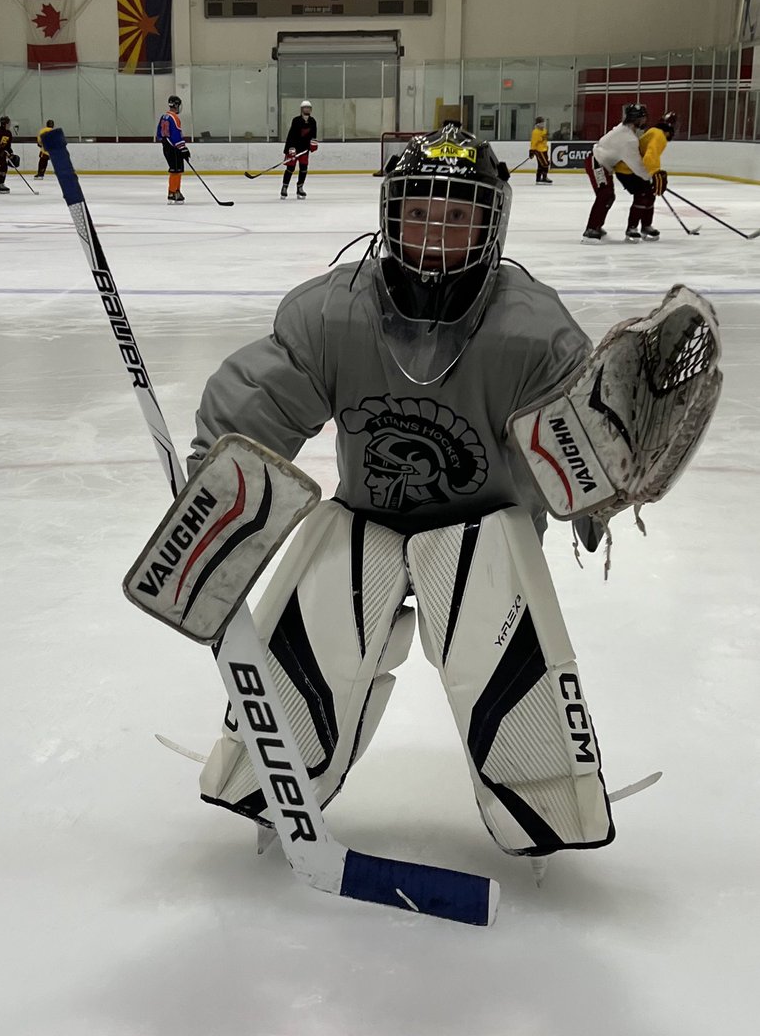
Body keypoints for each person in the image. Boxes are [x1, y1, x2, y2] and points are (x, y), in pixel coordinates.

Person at [189, 125, 619, 864]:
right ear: (390, 213)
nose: (433, 232)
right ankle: (270, 775)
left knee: (487, 592)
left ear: (491, 222)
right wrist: (212, 483)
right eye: (419, 210)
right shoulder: (334, 312)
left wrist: (611, 480)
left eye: (457, 216)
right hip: (366, 521)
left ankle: (545, 790)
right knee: (327, 579)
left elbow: (576, 452)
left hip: (485, 527)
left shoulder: (532, 331)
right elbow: (267, 394)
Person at [582, 103, 651, 243]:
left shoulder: (625, 130)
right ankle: (591, 230)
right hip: (597, 163)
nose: (645, 121)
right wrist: (650, 177)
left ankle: (596, 225)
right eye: (643, 118)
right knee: (605, 195)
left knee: (608, 196)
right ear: (636, 119)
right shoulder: (628, 140)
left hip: (601, 164)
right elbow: (637, 166)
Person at [622, 111, 677, 241]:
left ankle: (646, 225)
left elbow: (650, 157)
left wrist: (654, 173)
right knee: (642, 196)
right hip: (629, 169)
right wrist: (656, 172)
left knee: (649, 195)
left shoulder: (655, 132)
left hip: (637, 169)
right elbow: (649, 157)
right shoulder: (659, 136)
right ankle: (632, 228)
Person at [281, 100, 318, 199]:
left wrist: (313, 143)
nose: (307, 110)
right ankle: (284, 187)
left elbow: (313, 135)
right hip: (293, 148)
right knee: (290, 168)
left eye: (309, 108)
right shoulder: (296, 120)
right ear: (302, 109)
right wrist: (291, 148)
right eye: (305, 108)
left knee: (303, 169)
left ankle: (300, 187)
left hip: (304, 149)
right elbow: (291, 135)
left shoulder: (313, 121)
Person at [157, 95, 189, 204]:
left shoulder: (164, 116)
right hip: (174, 147)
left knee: (177, 170)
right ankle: (172, 193)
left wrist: (165, 142)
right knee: (175, 170)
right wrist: (182, 148)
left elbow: (159, 133)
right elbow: (176, 134)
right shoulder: (174, 118)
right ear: (177, 105)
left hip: (166, 146)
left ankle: (176, 192)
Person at [529, 115, 552, 184]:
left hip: (544, 149)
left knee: (541, 164)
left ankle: (539, 178)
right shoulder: (535, 132)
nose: (543, 125)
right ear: (537, 124)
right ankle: (544, 178)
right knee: (545, 163)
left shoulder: (544, 130)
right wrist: (531, 151)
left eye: (543, 123)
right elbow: (533, 142)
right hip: (538, 150)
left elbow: (545, 138)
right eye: (541, 124)